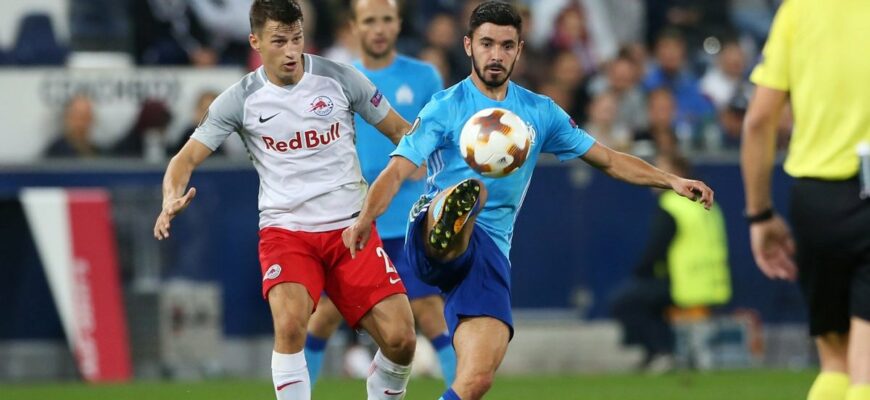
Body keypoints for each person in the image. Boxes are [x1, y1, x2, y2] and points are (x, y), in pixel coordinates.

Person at [342, 3, 714, 399]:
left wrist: (670, 179)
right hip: (428, 234)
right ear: (468, 46)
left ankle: (460, 220)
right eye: (487, 43)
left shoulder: (540, 112)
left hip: (489, 252)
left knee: (477, 379)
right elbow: (397, 170)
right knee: (471, 193)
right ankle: (452, 221)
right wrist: (365, 219)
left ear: (519, 49)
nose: (496, 55)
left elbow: (607, 159)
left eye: (506, 45)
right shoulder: (444, 108)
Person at [153, 1, 418, 399]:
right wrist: (170, 197)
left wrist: (436, 164)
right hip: (287, 233)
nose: (292, 51)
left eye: (297, 39)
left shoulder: (341, 78)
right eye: (279, 41)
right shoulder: (240, 98)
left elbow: (401, 131)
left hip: (351, 230)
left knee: (402, 340)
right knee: (291, 324)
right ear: (255, 42)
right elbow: (184, 159)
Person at [303, 0, 455, 387]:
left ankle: (463, 390)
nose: (379, 28)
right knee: (324, 314)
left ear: (398, 24)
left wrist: (425, 160)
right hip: (353, 217)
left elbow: (440, 135)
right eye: (369, 21)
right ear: (354, 27)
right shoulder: (337, 81)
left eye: (386, 19)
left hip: (408, 218)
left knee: (429, 310)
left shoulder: (423, 76)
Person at [741, 1, 870, 400]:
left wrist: (760, 215)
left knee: (836, 362)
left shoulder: (799, 10)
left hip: (816, 198)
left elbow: (759, 120)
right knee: (866, 369)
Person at [611, 154, 730, 373]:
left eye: (660, 170)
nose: (654, 175)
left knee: (625, 302)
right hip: (715, 284)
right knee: (649, 302)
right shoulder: (707, 203)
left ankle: (661, 352)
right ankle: (663, 352)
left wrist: (640, 273)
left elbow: (656, 249)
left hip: (686, 285)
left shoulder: (672, 204)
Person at [44, 94, 101, 158]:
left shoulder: (98, 151)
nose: (82, 123)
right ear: (67, 118)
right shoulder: (56, 151)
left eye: (86, 116)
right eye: (78, 117)